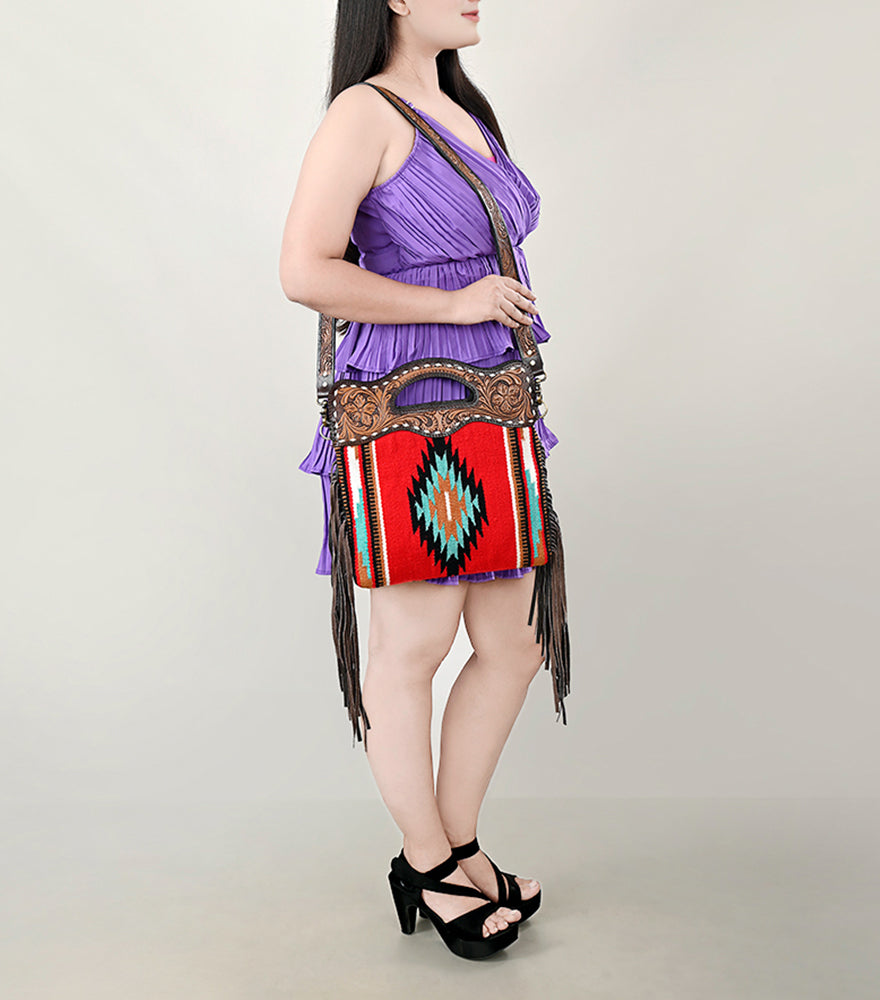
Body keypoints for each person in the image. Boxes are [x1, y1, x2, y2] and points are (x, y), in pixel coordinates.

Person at [279, 0, 565, 960]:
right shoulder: (363, 112)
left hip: (493, 392)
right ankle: (428, 859)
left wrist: (485, 311)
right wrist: (454, 304)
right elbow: (304, 270)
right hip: (412, 397)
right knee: (414, 644)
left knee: (513, 642)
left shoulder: (462, 107)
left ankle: (456, 844)